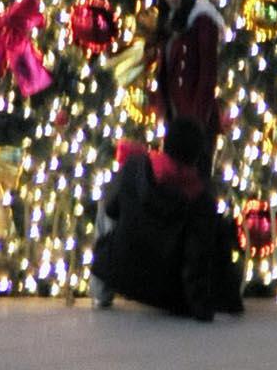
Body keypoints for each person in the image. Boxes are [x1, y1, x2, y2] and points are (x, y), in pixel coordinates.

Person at [89, 115, 242, 319]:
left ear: (165, 143)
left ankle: (101, 292)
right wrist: (204, 309)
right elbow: (196, 259)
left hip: (121, 272)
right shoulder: (201, 198)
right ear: (197, 155)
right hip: (167, 292)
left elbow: (111, 210)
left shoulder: (135, 168)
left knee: (106, 203)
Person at [152, 0, 227, 146]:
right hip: (175, 119)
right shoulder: (168, 23)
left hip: (196, 123)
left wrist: (197, 121)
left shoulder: (202, 20)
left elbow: (207, 73)